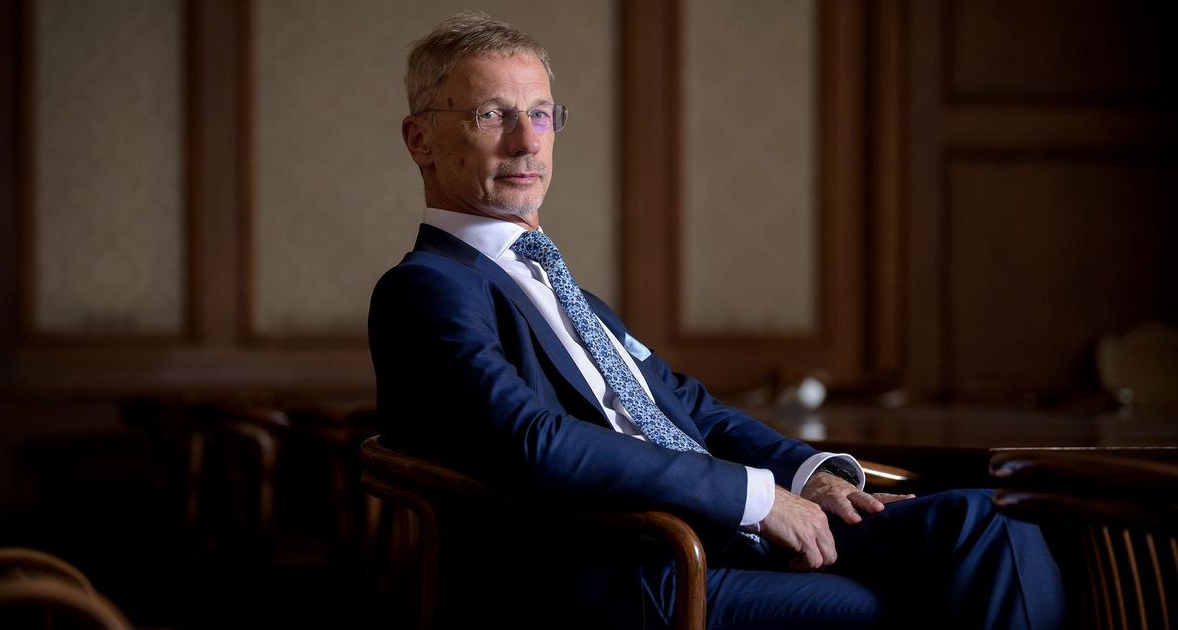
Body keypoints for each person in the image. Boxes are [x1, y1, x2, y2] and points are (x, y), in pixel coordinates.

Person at [369, 11, 1066, 629]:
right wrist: (754, 498)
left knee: (994, 521)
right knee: (914, 600)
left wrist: (805, 475)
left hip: (718, 536)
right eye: (490, 115)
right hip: (630, 567)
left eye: (542, 114)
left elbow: (689, 408)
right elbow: (535, 441)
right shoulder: (427, 289)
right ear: (420, 139)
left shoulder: (560, 286)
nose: (527, 141)